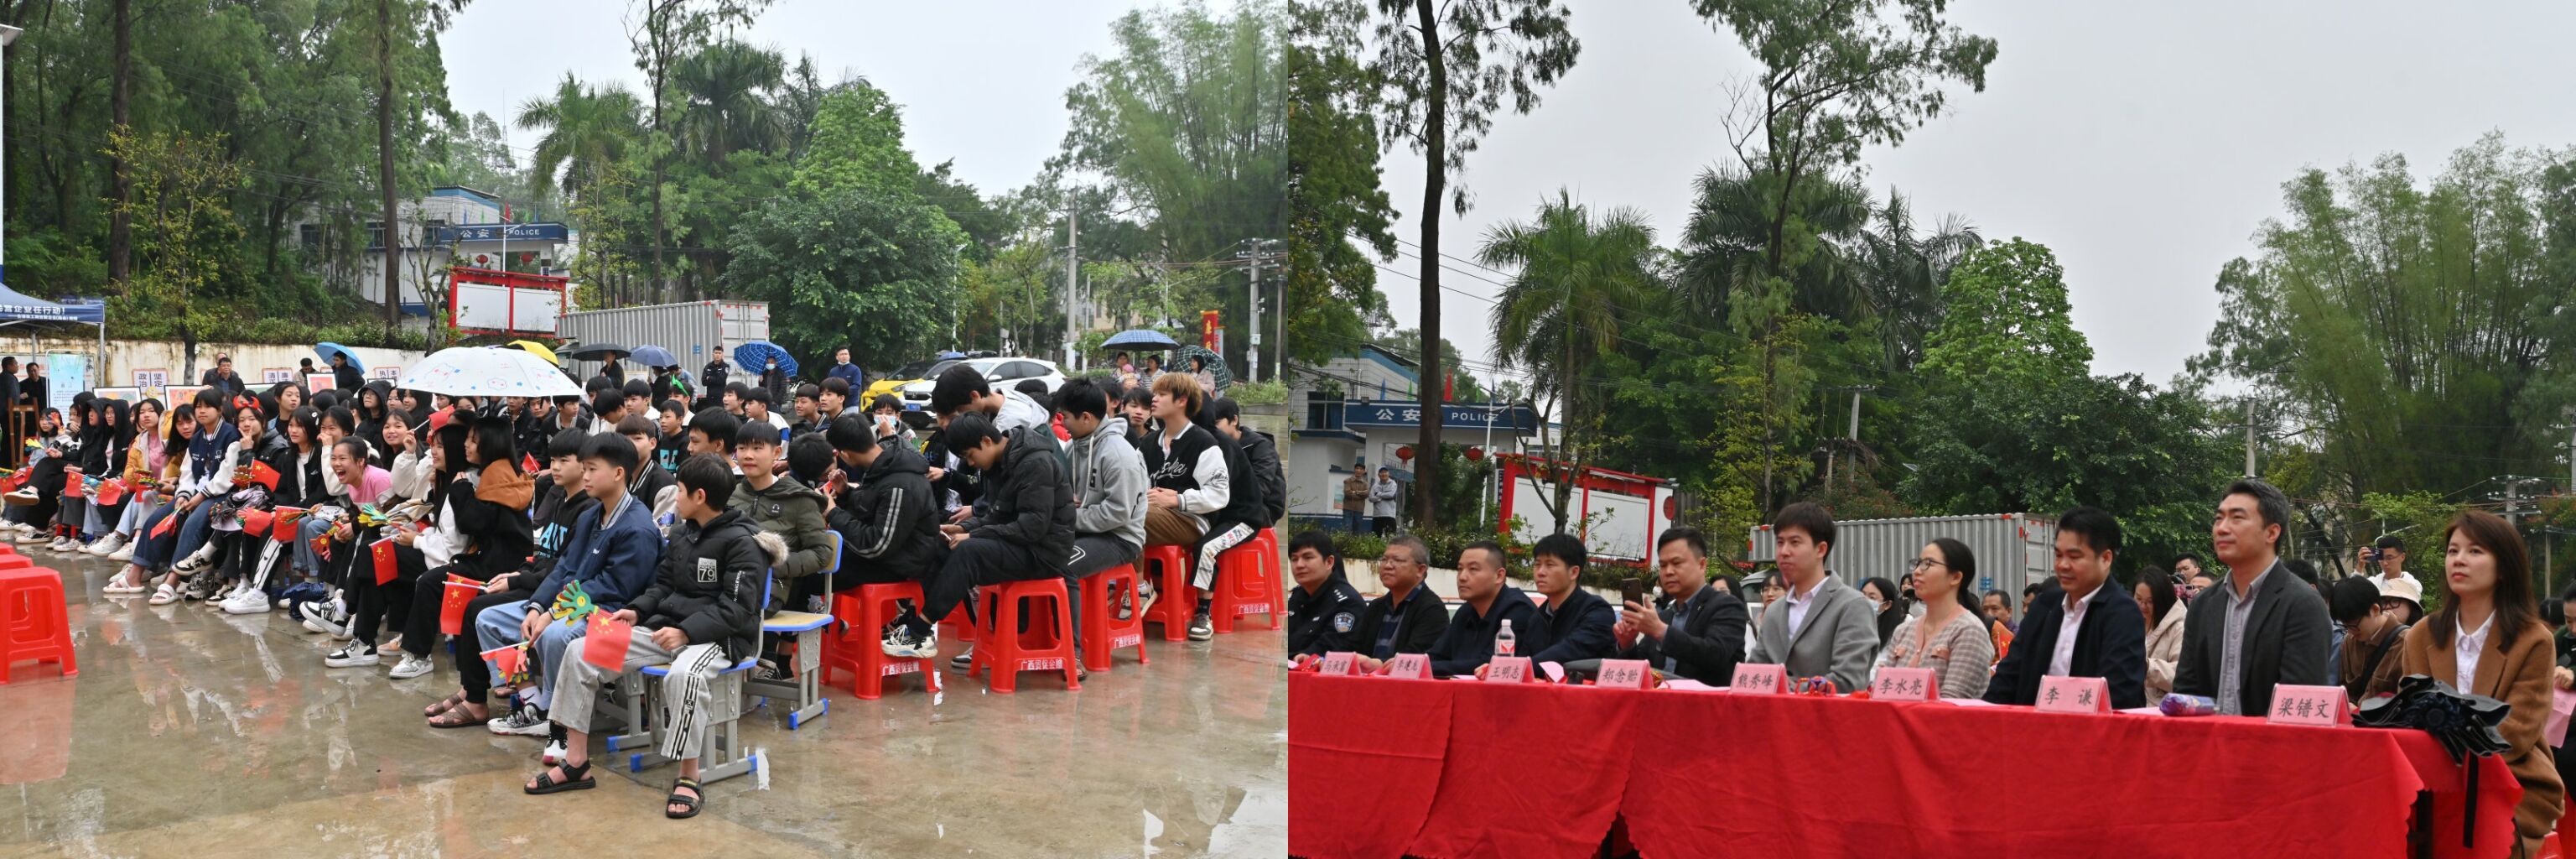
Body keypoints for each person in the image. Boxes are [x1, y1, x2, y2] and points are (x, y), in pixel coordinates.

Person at [524, 454, 772, 820]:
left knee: (685, 675)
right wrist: (637, 611)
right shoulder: (683, 534)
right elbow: (663, 585)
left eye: (681, 491)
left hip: (719, 639)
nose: (675, 498)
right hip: (664, 629)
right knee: (581, 650)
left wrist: (686, 632)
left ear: (700, 497)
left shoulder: (743, 543)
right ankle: (576, 762)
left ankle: (689, 777)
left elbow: (737, 609)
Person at [2387, 511, 2566, 854]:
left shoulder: (2533, 639)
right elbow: (2412, 717)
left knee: (2486, 832)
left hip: (2512, 779)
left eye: (2475, 551)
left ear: (2504, 568)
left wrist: (2454, 754)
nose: (2459, 560)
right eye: (2453, 551)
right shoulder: (2421, 635)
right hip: (2431, 780)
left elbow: (2516, 732)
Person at [471, 434, 661, 753]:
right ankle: (533, 701)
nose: (585, 476)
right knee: (489, 620)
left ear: (618, 473)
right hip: (571, 606)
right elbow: (564, 568)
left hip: (612, 618)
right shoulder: (591, 515)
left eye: (592, 469)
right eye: (584, 468)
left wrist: (552, 613)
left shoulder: (637, 527)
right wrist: (537, 606)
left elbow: (613, 589)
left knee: (555, 635)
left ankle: (557, 720)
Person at [880, 413, 1077, 663]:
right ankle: (916, 618)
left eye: (970, 456)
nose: (971, 463)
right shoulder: (1000, 464)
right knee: (941, 544)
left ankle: (919, 631)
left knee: (968, 552)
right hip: (1020, 542)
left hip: (1044, 551)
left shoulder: (1034, 463)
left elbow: (1032, 527)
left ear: (986, 441)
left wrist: (973, 534)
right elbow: (996, 515)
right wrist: (962, 528)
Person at [2173, 479, 2333, 716]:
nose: (2222, 528)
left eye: (2237, 518)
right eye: (2219, 518)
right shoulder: (2204, 604)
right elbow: (2186, 694)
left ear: (2272, 532)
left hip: (2270, 739)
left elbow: (2297, 709)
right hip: (2209, 738)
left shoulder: (2303, 605)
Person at [1985, 506, 2149, 710]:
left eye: (2074, 556)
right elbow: (2007, 677)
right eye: (2058, 555)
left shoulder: (2123, 613)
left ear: (2105, 558)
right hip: (2030, 726)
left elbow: (2118, 693)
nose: (2062, 565)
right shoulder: (2044, 606)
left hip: (2091, 727)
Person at [1748, 502, 1876, 690]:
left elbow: (1848, 680)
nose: (1784, 552)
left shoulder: (1852, 606)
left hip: (1826, 710)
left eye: (1795, 542)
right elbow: (1754, 672)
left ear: (1821, 549)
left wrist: (1787, 689)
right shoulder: (1774, 610)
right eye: (1780, 542)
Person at [1057, 379, 1147, 643]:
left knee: (1062, 566)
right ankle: (1038, 637)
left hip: (1120, 538)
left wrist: (1070, 516)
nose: (1062, 423)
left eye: (1066, 417)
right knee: (1032, 554)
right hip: (1087, 529)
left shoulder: (1118, 454)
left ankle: (1071, 650)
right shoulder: (1074, 446)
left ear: (1086, 417)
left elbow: (1118, 513)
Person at [1611, 527, 1747, 685]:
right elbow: (1641, 672)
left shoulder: (1727, 606)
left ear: (1702, 565)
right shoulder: (1664, 617)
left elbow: (1715, 654)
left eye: (1676, 563)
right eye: (1663, 565)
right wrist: (1627, 644)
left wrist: (1660, 631)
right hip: (1659, 699)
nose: (1668, 572)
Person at [726, 422, 833, 614]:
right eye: (742, 448)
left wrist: (773, 566)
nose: (748, 455)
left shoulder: (799, 499)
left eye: (757, 448)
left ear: (776, 453)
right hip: (723, 581)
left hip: (768, 591)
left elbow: (821, 552)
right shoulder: (730, 493)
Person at [1875, 539, 1995, 699]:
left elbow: (1952, 700)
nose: (1917, 571)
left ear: (1955, 577)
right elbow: (1882, 690)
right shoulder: (1903, 630)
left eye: (1928, 564)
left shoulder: (1969, 631)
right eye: (1917, 563)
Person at [1426, 542, 1542, 679]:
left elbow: (1488, 665)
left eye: (1473, 569)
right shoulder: (1466, 611)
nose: (1462, 577)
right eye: (1460, 569)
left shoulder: (1518, 609)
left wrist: (1428, 667)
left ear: (1499, 576)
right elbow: (1436, 655)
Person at [1352, 536, 1446, 671]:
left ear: (1420, 570)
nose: (1387, 566)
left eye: (1397, 560)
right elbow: (1354, 646)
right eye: (1384, 559)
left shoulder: (1432, 609)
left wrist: (1379, 665)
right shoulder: (1376, 606)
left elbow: (1418, 656)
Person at [1519, 533, 1615, 666]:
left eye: (1550, 565)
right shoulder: (1537, 618)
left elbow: (1570, 651)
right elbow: (1522, 658)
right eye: (1537, 564)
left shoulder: (1597, 611)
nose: (1540, 572)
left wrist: (1522, 666)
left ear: (1574, 572)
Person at [1285, 530, 1364, 663]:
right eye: (1294, 559)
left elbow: (1329, 649)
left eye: (1308, 558)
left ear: (1329, 562)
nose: (1299, 565)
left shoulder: (1347, 603)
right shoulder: (1298, 596)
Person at [2330, 576, 2405, 703]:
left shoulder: (2405, 643)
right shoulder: (2349, 642)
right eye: (2345, 626)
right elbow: (2344, 689)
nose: (2350, 632)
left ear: (2375, 610)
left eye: (2354, 625)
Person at [2137, 566, 2189, 700]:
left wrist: (2147, 667)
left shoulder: (2180, 628)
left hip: (2162, 707)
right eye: (2138, 599)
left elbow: (2181, 677)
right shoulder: (2130, 621)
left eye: (2150, 602)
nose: (2143, 606)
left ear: (2163, 600)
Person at [1860, 576, 1904, 653]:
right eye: (1862, 595)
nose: (1864, 600)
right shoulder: (1854, 622)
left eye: (1872, 597)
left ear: (1887, 604)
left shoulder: (1902, 626)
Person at [1368, 466, 1400, 536]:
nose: (1383, 474)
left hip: (1389, 514)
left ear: (1388, 474)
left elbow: (1391, 495)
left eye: (1385, 472)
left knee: (1390, 536)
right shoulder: (1375, 485)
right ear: (1378, 475)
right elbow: (1370, 498)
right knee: (1375, 537)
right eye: (1381, 472)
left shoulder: (1393, 483)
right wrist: (1379, 498)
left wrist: (1378, 494)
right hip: (1377, 515)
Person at [699, 346, 731, 413]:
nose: (718, 355)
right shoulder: (708, 366)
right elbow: (704, 382)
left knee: (721, 414)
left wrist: (709, 378)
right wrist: (715, 378)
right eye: (716, 353)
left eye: (719, 353)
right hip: (710, 398)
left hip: (721, 397)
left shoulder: (725, 366)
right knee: (711, 414)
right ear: (713, 354)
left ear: (722, 355)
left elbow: (721, 380)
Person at [1340, 464, 1368, 534]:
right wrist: (1361, 494)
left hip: (1359, 510)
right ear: (1354, 470)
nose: (1359, 470)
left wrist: (1355, 492)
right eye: (1357, 468)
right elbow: (1348, 493)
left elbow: (1366, 494)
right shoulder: (1348, 481)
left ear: (1364, 471)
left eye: (1361, 469)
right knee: (1347, 529)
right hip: (1348, 509)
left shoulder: (1365, 483)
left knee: (1357, 531)